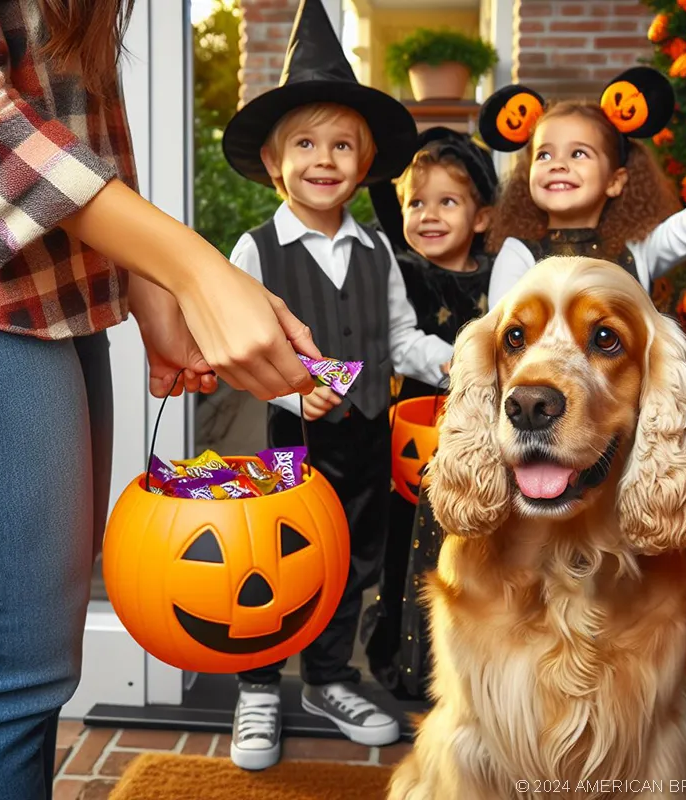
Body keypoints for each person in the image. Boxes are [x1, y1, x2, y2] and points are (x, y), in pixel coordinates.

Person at [0, 2, 320, 797]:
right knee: (5, 683)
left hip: (48, 293)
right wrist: (196, 269)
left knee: (32, 673)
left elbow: (72, 107)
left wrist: (140, 277)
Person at [220, 0, 453, 772]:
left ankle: (326, 678)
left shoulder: (379, 250)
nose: (325, 159)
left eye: (342, 146)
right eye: (307, 145)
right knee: (275, 563)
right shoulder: (254, 251)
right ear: (275, 163)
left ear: (364, 163)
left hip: (362, 441)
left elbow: (399, 341)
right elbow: (237, 355)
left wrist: (457, 361)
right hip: (283, 445)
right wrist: (291, 393)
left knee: (351, 560)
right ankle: (258, 686)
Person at [362, 128, 497, 699]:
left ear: (481, 217)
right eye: (416, 203)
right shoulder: (399, 270)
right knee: (406, 549)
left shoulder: (501, 275)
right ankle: (405, 659)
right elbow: (398, 340)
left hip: (482, 436)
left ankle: (475, 664)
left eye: (448, 201)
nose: (429, 215)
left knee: (475, 550)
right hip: (413, 433)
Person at [480, 67, 686, 305]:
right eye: (544, 155)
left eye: (578, 154)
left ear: (615, 181)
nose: (558, 164)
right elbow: (501, 335)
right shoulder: (518, 253)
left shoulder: (637, 250)